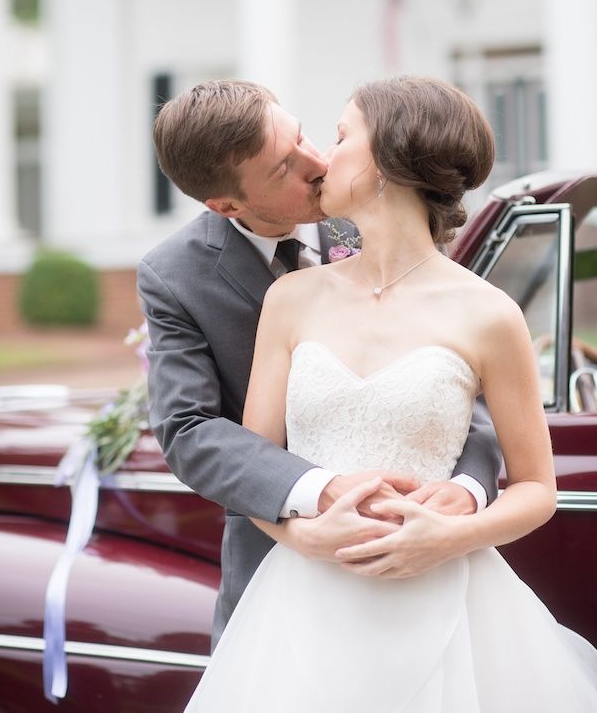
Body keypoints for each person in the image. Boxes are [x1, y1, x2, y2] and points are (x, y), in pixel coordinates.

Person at [183, 76, 597, 711]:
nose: (324, 155)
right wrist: (303, 538)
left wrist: (452, 535)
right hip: (303, 603)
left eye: (343, 134)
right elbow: (254, 462)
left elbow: (539, 489)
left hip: (449, 604)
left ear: (386, 162)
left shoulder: (489, 314)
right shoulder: (291, 298)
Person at [137, 80, 501, 650]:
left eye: (303, 135)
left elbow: (458, 376)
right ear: (227, 205)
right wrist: (315, 498)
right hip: (280, 568)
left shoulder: (368, 202)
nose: (316, 162)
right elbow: (189, 429)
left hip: (426, 554)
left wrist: (469, 490)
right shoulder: (175, 276)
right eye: (283, 167)